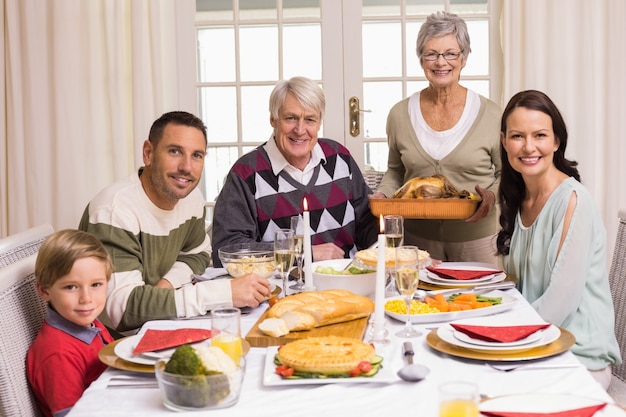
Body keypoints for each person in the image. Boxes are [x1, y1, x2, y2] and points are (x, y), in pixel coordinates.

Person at [79, 111, 270, 334]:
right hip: (115, 341)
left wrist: (167, 284)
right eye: (175, 151)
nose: (186, 167)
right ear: (148, 153)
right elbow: (123, 310)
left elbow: (198, 254)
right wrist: (222, 294)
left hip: (160, 322)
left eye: (197, 155)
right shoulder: (114, 211)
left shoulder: (191, 199)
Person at [496, 89, 621, 389]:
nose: (528, 147)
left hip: (577, 355)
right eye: (517, 136)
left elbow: (560, 303)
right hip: (537, 344)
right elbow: (517, 285)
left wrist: (498, 336)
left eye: (539, 135)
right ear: (504, 141)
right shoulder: (520, 198)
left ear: (556, 141)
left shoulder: (574, 201)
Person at [372, 11, 501, 264]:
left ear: (463, 58)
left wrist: (492, 196)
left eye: (451, 53)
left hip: (477, 240)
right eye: (431, 53)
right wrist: (383, 196)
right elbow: (395, 171)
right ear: (421, 60)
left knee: (481, 303)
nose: (441, 62)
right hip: (416, 242)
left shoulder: (492, 114)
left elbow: (505, 173)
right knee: (417, 302)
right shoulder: (399, 114)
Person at [211, 76, 378, 267]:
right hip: (279, 288)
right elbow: (226, 249)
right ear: (273, 120)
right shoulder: (246, 173)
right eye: (291, 118)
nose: (300, 130)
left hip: (346, 280)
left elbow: (366, 223)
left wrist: (383, 241)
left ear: (319, 123)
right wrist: (304, 252)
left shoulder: (339, 157)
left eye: (310, 120)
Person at [27, 229, 115, 417]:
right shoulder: (58, 354)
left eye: (96, 284)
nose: (86, 298)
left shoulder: (91, 324)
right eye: (71, 287)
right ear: (44, 291)